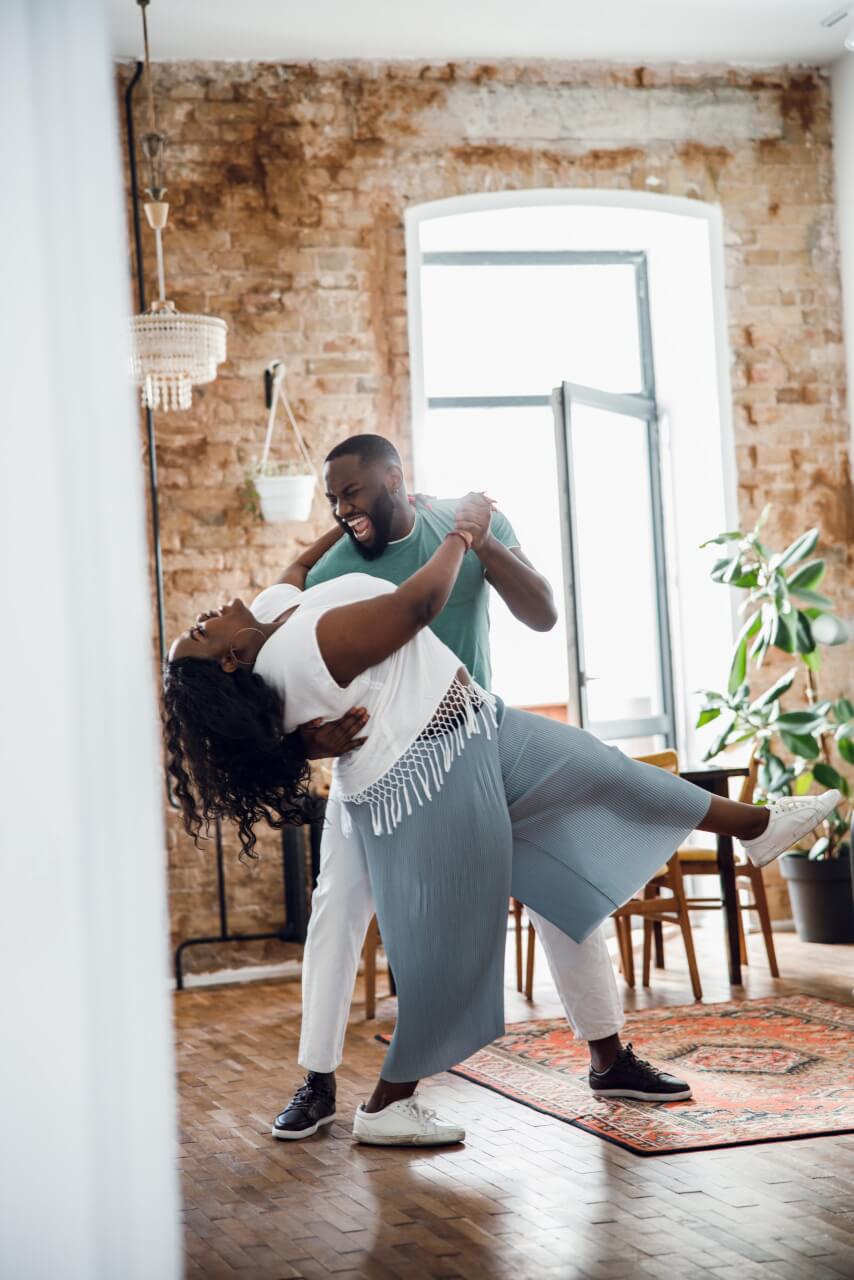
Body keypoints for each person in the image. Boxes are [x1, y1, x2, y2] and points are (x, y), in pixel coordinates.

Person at [163, 478, 839, 1147]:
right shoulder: (293, 652)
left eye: (350, 493)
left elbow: (294, 574)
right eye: (199, 631)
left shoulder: (276, 611)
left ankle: (753, 832)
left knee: (597, 785)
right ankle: (342, 1087)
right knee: (402, 929)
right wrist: (464, 533)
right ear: (229, 659)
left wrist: (340, 533)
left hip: (478, 725)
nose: (343, 507)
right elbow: (414, 608)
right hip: (417, 778)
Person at [267, 435, 703, 1144]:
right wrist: (316, 741)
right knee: (336, 907)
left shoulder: (465, 525)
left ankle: (609, 1057)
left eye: (352, 492)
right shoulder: (336, 568)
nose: (342, 509)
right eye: (332, 499)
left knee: (561, 883)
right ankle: (317, 1081)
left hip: (477, 747)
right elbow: (300, 674)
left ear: (395, 478)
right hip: (375, 771)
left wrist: (482, 539)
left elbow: (543, 613)